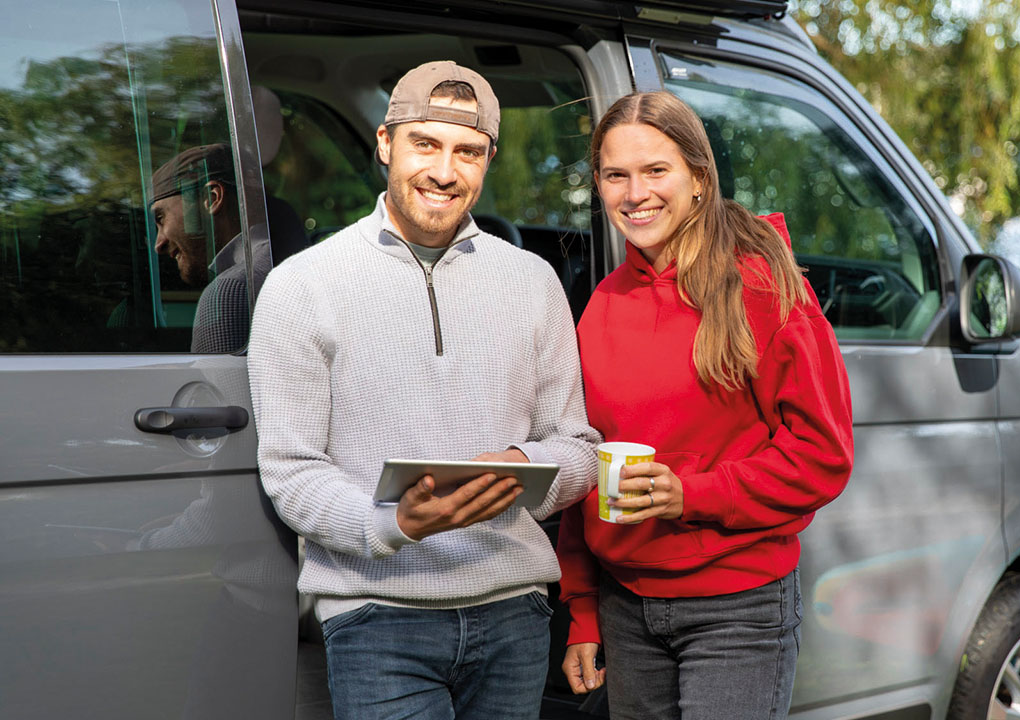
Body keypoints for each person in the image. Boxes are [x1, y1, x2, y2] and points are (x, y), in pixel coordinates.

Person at [247, 60, 599, 720]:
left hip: (515, 613)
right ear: (386, 144)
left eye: (468, 151)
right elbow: (292, 471)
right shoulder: (302, 287)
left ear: (488, 158)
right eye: (426, 144)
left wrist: (527, 468)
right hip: (376, 617)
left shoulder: (534, 283)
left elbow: (578, 448)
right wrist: (392, 525)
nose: (445, 171)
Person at [557, 91, 856, 720]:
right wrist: (583, 611)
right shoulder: (602, 306)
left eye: (656, 170)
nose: (635, 193)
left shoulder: (763, 286)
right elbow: (583, 462)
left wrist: (692, 495)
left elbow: (823, 455)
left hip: (737, 607)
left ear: (698, 177)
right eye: (616, 175)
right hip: (626, 605)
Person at [148, 142, 271, 353]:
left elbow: (213, 387)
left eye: (161, 218)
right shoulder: (302, 259)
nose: (158, 244)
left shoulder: (230, 291)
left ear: (211, 198)